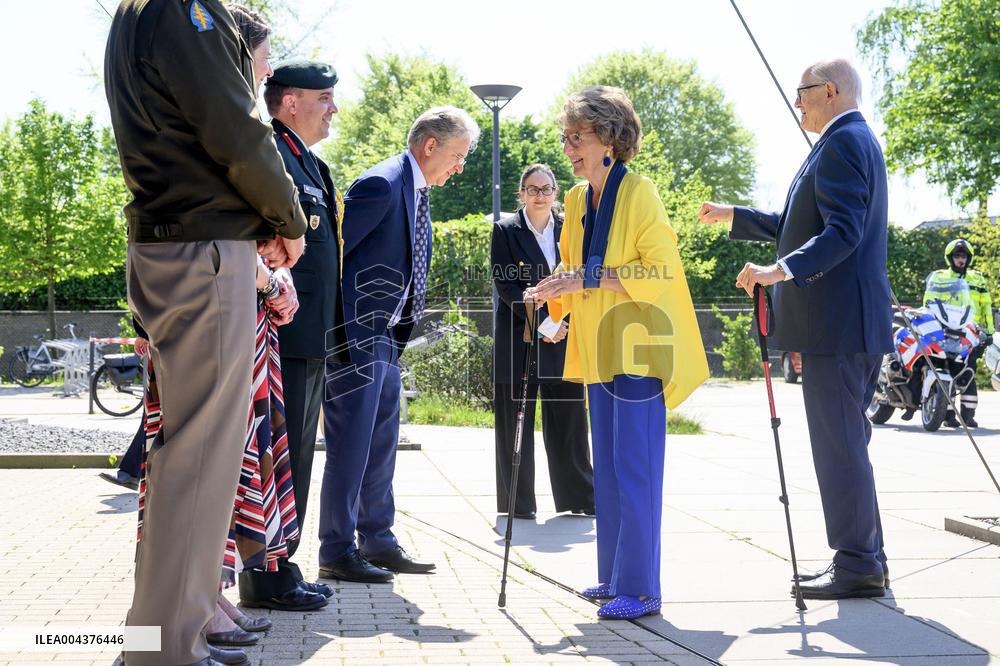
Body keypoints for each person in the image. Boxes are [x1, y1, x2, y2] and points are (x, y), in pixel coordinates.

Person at [105, 0, 306, 662]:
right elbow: (234, 126)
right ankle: (166, 649)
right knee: (199, 463)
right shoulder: (184, 9)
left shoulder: (142, 13)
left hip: (175, 243)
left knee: (185, 460)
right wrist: (286, 217)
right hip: (201, 248)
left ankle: (167, 638)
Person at [699, 58, 893, 600]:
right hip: (849, 324)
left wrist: (777, 270)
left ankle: (857, 563)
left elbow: (842, 232)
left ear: (829, 91)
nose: (797, 101)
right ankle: (867, 556)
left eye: (802, 91)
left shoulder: (843, 143)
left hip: (837, 326)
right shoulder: (850, 140)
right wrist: (736, 215)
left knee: (839, 447)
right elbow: (799, 226)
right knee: (847, 443)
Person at [526, 86, 708, 620]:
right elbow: (572, 267)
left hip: (639, 348)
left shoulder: (641, 192)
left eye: (576, 137)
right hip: (596, 347)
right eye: (565, 138)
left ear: (608, 137)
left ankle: (643, 590)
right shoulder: (576, 199)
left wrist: (581, 279)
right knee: (606, 469)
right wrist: (552, 305)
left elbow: (659, 271)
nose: (568, 148)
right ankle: (613, 578)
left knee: (635, 469)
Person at [318, 106, 479, 583]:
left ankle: (378, 540)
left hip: (387, 338)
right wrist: (342, 335)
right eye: (458, 156)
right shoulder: (382, 184)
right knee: (351, 446)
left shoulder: (414, 188)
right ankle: (336, 550)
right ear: (430, 145)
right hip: (357, 339)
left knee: (381, 444)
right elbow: (332, 258)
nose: (460, 167)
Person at [235, 57, 348, 611]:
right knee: (281, 456)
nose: (334, 109)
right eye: (324, 98)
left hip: (310, 334)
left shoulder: (307, 162)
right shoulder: (272, 155)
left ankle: (281, 565)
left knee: (297, 455)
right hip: (282, 334)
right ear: (290, 102)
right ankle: (268, 575)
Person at [491, 163, 594, 520]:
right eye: (532, 189)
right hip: (518, 337)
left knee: (570, 420)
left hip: (565, 335)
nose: (540, 195)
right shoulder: (504, 230)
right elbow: (507, 287)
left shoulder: (571, 228)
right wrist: (543, 324)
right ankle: (517, 505)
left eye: (546, 189)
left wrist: (559, 323)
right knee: (514, 424)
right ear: (521, 193)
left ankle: (581, 497)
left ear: (555, 192)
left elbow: (581, 277)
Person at [922, 238, 995, 428]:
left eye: (963, 256)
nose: (960, 259)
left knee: (968, 371)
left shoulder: (977, 278)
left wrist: (988, 332)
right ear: (950, 258)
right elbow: (929, 301)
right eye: (957, 256)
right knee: (945, 368)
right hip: (945, 330)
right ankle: (947, 415)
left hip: (971, 333)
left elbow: (986, 306)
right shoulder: (939, 277)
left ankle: (968, 415)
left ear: (969, 259)